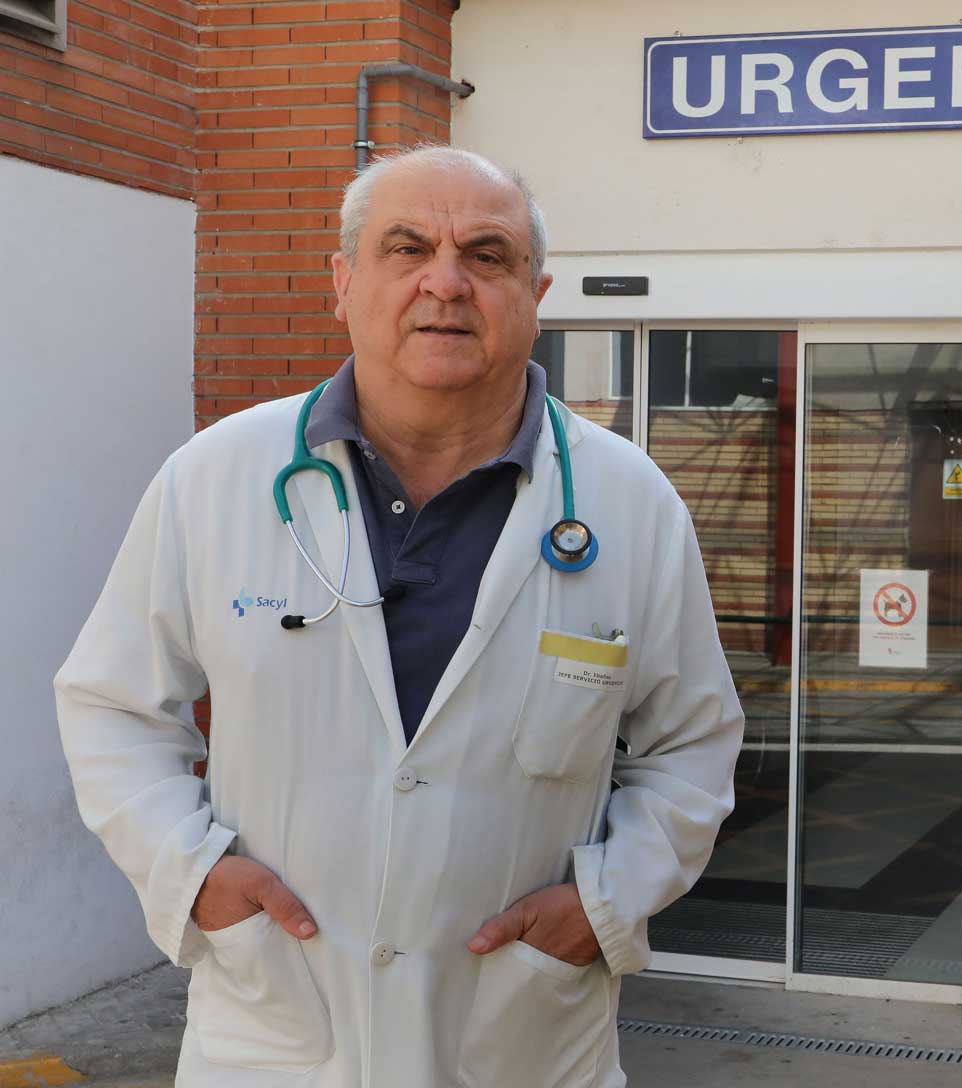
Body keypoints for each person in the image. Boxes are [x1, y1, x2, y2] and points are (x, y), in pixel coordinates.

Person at [54, 145, 744, 1087]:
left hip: (521, 1035)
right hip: (277, 1028)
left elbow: (693, 742)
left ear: (535, 293)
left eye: (487, 255)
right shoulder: (214, 477)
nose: (446, 283)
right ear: (343, 282)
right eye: (407, 248)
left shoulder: (631, 502)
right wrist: (192, 876)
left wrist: (606, 904)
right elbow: (112, 705)